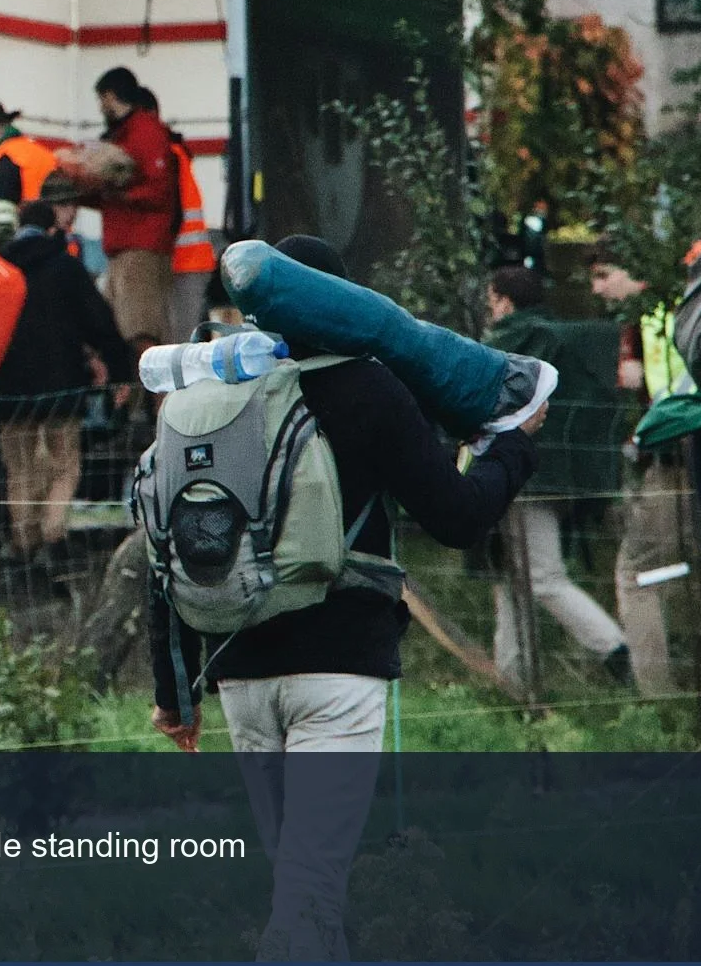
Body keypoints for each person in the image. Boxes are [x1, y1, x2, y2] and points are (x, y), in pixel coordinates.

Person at [149, 235, 542, 960]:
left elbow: (167, 539)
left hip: (238, 672)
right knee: (308, 899)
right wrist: (514, 446)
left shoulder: (213, 393)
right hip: (337, 672)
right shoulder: (368, 385)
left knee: (302, 888)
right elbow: (456, 515)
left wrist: (174, 692)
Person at [483, 267, 630, 689]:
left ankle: (615, 649)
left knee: (543, 577)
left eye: (492, 300)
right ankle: (514, 683)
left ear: (505, 302)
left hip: (525, 480)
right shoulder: (552, 339)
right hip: (554, 475)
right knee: (512, 579)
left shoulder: (512, 341)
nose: (491, 310)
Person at [0, 200, 131, 585]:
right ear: (52, 227)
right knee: (64, 463)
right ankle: (53, 536)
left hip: (11, 389)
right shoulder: (66, 268)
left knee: (19, 468)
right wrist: (119, 369)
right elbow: (99, 322)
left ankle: (23, 543)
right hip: (62, 385)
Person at [591, 248, 697, 695]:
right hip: (690, 455)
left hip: (675, 457)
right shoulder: (691, 302)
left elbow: (636, 380)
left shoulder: (648, 317)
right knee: (693, 565)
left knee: (637, 572)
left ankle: (658, 694)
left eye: (603, 275)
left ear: (632, 273)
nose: (597, 288)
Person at [86, 68, 178, 353]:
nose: (101, 108)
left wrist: (114, 193)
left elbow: (160, 191)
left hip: (141, 248)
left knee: (142, 334)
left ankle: (160, 398)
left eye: (102, 100)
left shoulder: (144, 133)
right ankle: (145, 397)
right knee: (124, 335)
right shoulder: (126, 135)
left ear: (111, 96)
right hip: (124, 249)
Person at [149, 88, 218, 344]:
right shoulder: (176, 152)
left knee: (180, 346)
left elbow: (173, 214)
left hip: (184, 263)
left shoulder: (168, 155)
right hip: (191, 262)